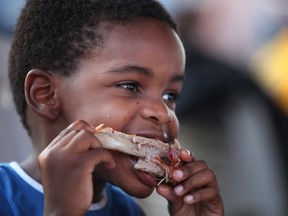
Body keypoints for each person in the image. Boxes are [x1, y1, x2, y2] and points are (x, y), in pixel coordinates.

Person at [0, 0, 224, 215]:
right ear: (45, 95)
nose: (163, 113)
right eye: (130, 86)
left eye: (170, 95)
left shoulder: (129, 210)